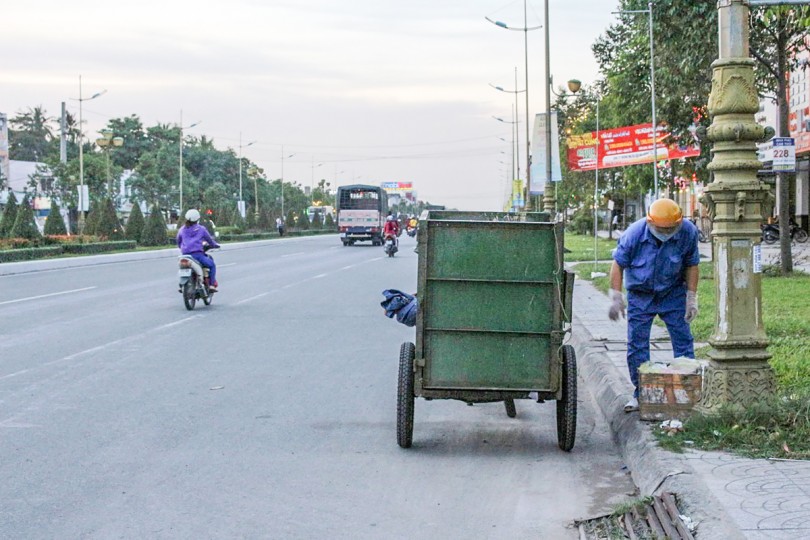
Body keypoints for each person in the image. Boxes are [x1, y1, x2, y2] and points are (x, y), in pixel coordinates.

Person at [607, 198, 700, 413]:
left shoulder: (688, 232)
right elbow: (618, 264)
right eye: (661, 229)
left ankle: (686, 392)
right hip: (641, 294)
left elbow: (692, 265)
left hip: (672, 293)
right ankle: (641, 393)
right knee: (637, 344)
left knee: (683, 340)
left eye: (671, 229)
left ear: (679, 222)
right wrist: (616, 297)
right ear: (650, 222)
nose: (666, 233)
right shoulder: (634, 233)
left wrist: (691, 297)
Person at [177, 209, 221, 291]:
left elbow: (178, 241)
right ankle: (211, 285)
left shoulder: (182, 229)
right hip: (197, 255)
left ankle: (181, 285)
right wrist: (215, 245)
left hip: (185, 255)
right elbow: (209, 240)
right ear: (197, 219)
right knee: (212, 265)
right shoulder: (201, 229)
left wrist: (182, 247)